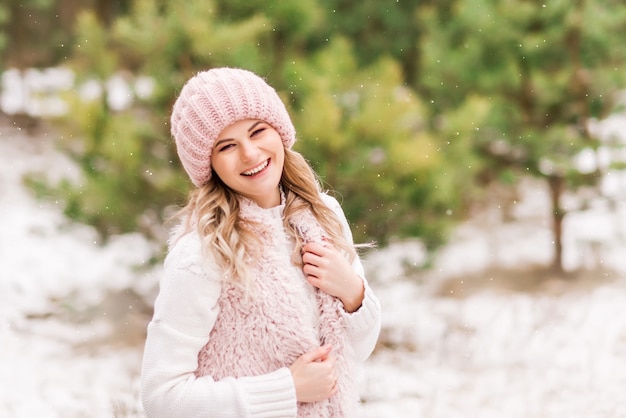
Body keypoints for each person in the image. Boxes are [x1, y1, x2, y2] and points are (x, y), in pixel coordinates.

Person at [140, 67, 381, 417]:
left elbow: (355, 352)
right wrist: (287, 389)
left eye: (258, 131)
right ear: (208, 165)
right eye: (227, 146)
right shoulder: (202, 253)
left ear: (279, 131)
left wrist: (352, 292)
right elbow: (161, 398)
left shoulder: (321, 216)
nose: (251, 154)